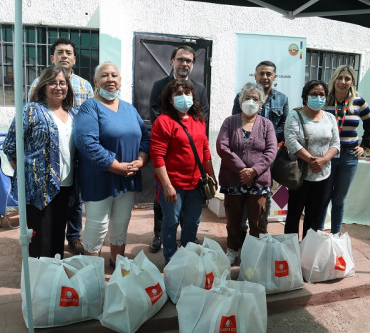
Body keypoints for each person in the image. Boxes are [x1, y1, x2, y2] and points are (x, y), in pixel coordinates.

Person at [73, 61, 149, 267]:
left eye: (114, 75)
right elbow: (86, 142)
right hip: (100, 178)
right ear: (95, 81)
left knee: (120, 225)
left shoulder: (129, 109)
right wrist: (115, 166)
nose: (110, 80)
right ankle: (91, 271)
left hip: (128, 179)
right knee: (97, 227)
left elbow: (145, 137)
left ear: (120, 80)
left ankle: (117, 262)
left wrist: (141, 160)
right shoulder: (90, 107)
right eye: (105, 76)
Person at [28, 37, 94, 255]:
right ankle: (41, 254)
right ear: (52, 57)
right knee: (44, 221)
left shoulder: (85, 85)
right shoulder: (38, 84)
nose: (64, 56)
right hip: (45, 169)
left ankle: (73, 237)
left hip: (74, 152)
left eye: (68, 52)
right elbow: (24, 133)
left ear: (74, 58)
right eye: (60, 52)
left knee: (74, 202)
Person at [3, 65, 76, 258]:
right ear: (43, 86)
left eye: (62, 83)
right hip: (38, 190)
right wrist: (28, 174)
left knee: (58, 236)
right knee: (40, 240)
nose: (58, 87)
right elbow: (11, 147)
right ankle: (38, 282)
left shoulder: (72, 115)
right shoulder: (31, 111)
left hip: (65, 185)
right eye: (52, 82)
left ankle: (53, 278)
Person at [148, 45, 210, 253]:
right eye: (181, 59)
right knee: (169, 217)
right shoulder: (160, 87)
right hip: (171, 169)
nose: (185, 63)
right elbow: (155, 114)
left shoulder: (199, 89)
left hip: (194, 178)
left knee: (191, 219)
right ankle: (165, 247)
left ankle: (187, 248)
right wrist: (174, 129)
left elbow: (204, 119)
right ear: (172, 61)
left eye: (189, 61)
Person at [216, 82, 277, 264]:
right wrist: (242, 169)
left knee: (258, 221)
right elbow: (222, 146)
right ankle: (233, 249)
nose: (251, 102)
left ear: (261, 103)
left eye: (255, 99)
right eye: (247, 98)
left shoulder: (267, 125)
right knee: (234, 221)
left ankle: (255, 253)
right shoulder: (229, 122)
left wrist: (254, 171)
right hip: (234, 180)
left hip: (258, 182)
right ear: (240, 101)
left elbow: (271, 150)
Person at [232, 61, 289, 239]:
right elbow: (236, 123)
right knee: (240, 193)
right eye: (261, 73)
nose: (265, 77)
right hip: (243, 156)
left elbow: (284, 127)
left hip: (267, 158)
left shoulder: (282, 99)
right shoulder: (240, 96)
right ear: (255, 76)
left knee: (263, 195)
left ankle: (260, 234)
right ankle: (239, 236)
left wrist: (265, 141)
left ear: (274, 77)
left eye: (268, 74)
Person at [320, 65, 370, 234]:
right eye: (339, 78)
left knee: (339, 200)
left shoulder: (359, 102)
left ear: (352, 82)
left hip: (349, 156)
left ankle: (335, 236)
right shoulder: (325, 100)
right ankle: (318, 235)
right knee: (323, 198)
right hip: (327, 155)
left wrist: (365, 146)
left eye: (347, 79)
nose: (342, 82)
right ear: (334, 79)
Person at [284, 80, 340, 238]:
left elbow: (336, 143)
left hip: (323, 174)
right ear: (305, 96)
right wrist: (311, 160)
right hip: (300, 175)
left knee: (314, 217)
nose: (318, 97)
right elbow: (291, 141)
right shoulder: (295, 115)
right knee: (294, 215)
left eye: (321, 95)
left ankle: (309, 251)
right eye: (314, 94)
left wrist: (323, 161)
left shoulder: (329, 118)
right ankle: (291, 250)